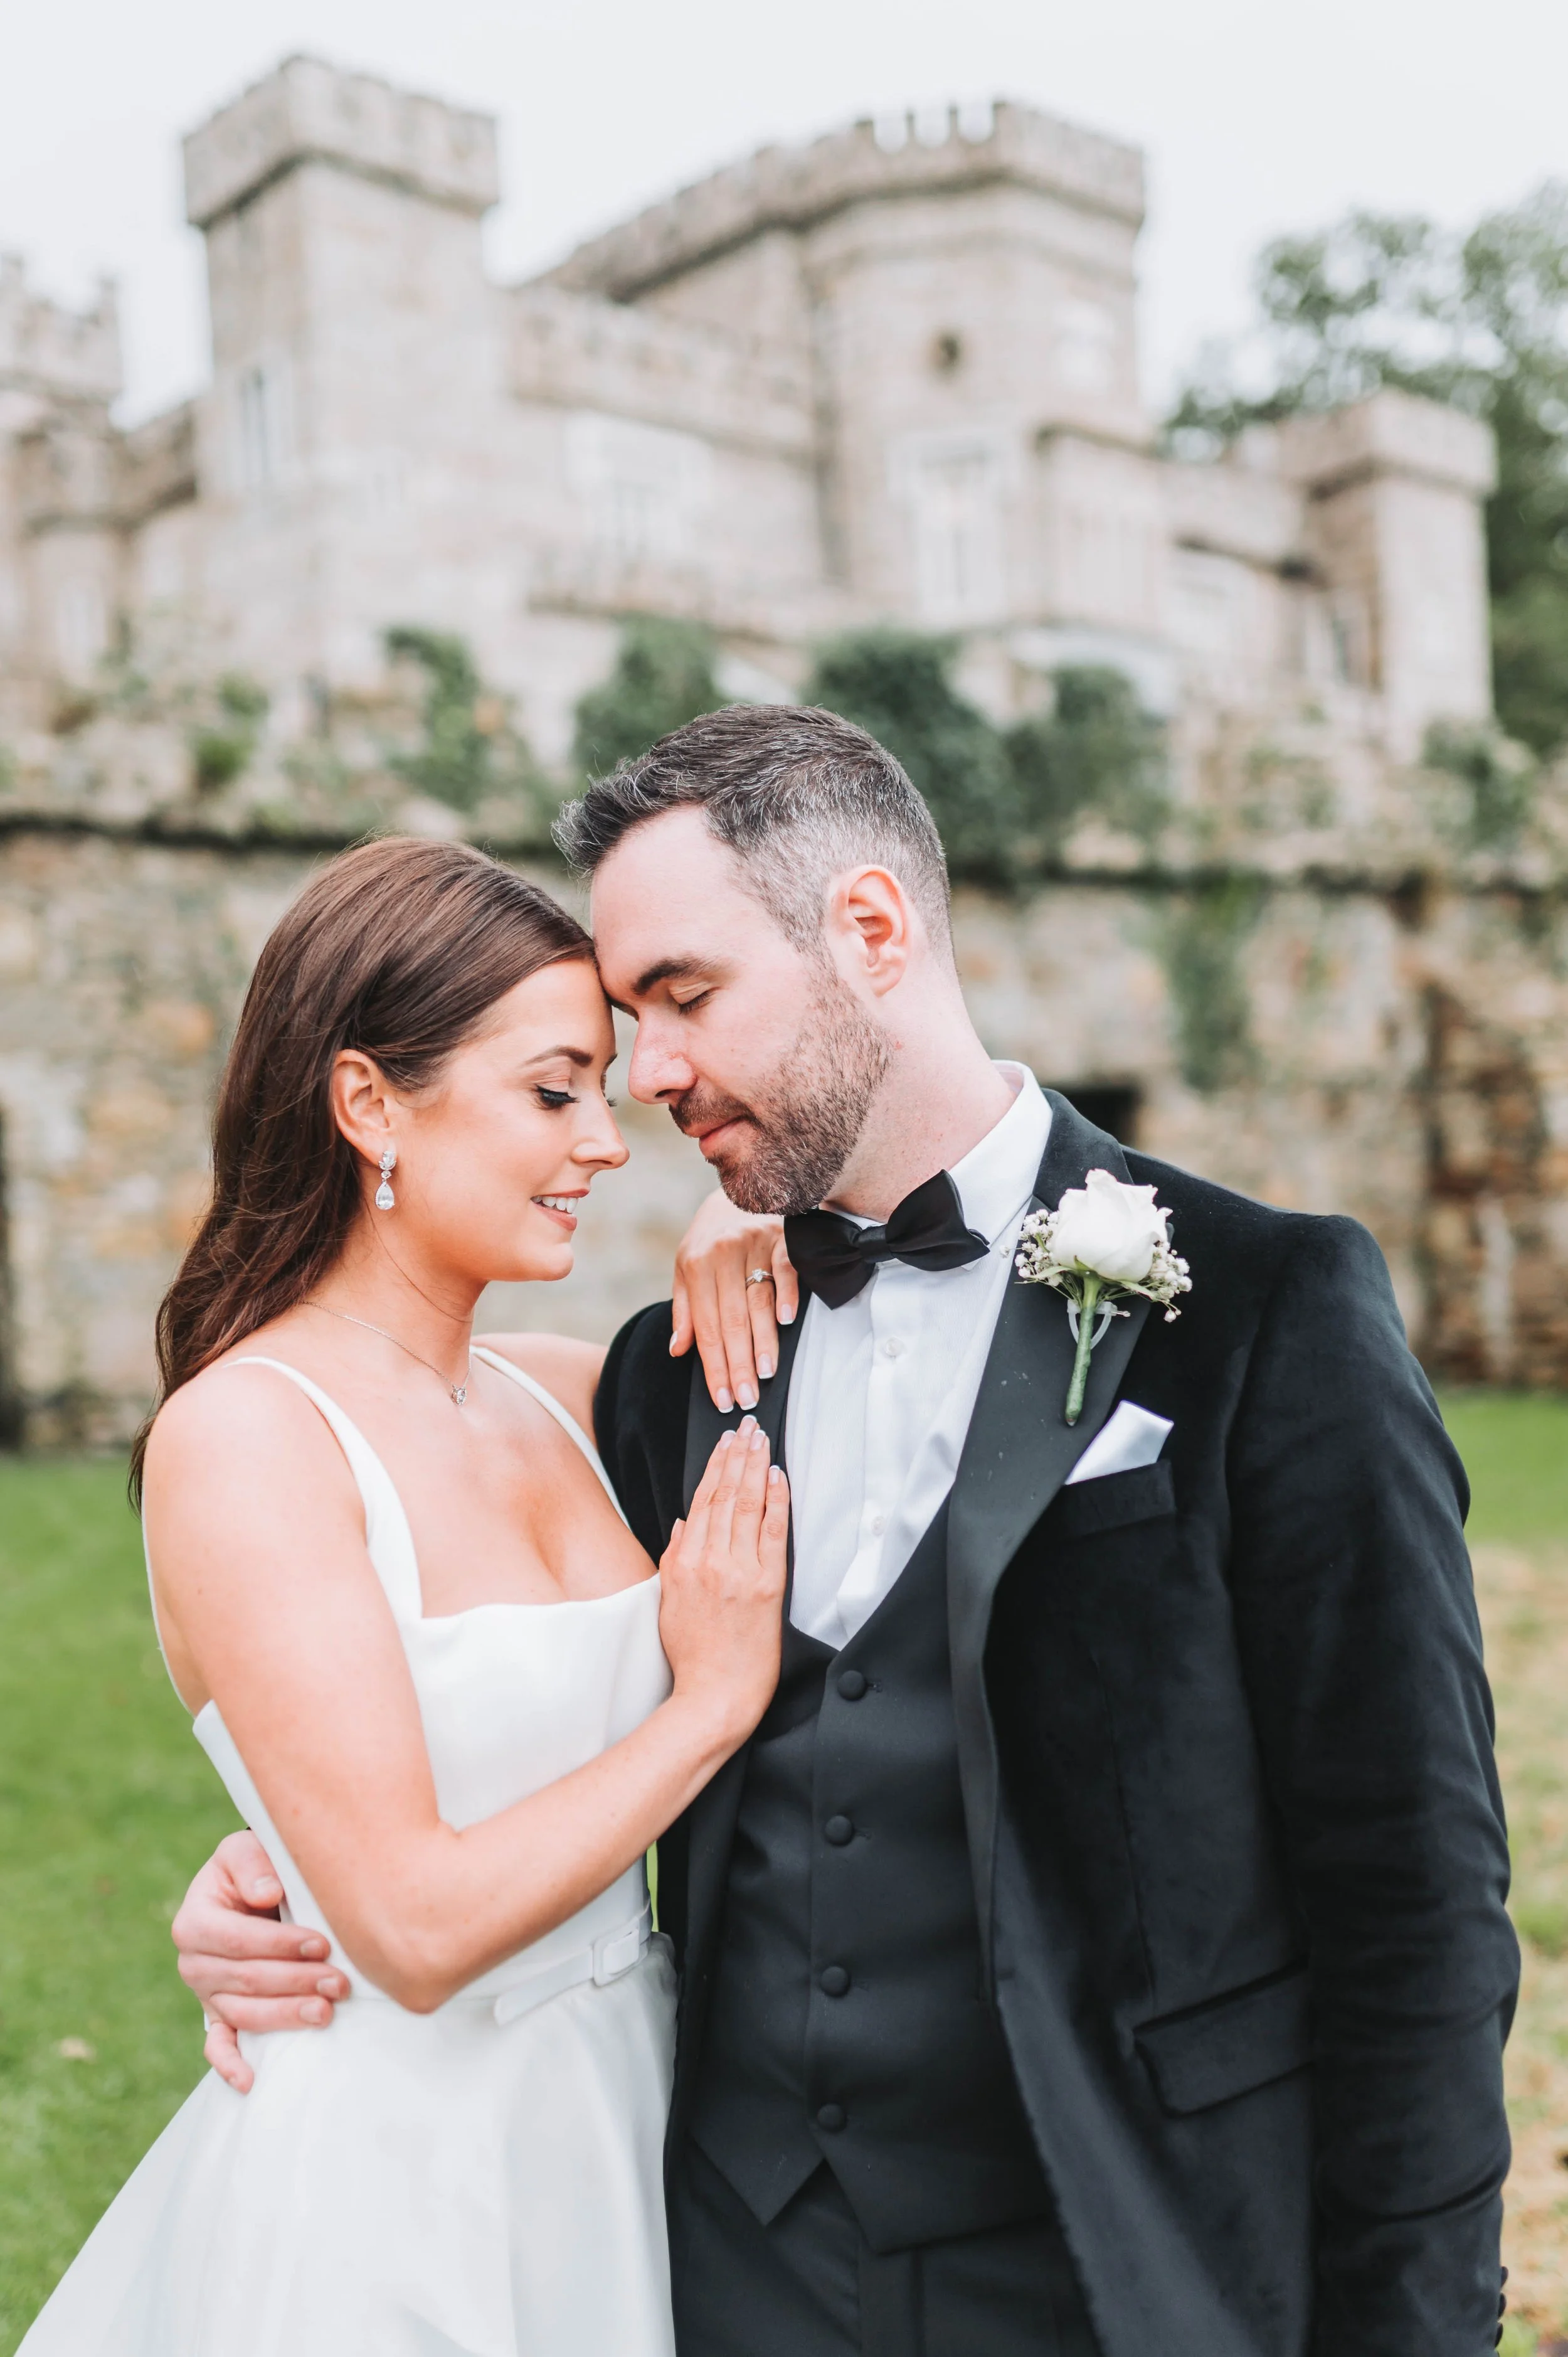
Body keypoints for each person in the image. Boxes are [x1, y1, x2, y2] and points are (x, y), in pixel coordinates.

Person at [175, 706, 1518, 2357]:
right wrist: (270, 1865)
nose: (648, 1079)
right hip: (720, 2262)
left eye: (683, 998)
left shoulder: (1263, 1309)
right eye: (618, 1028)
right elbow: (445, 1679)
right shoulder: (672, 1381)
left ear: (870, 931)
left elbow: (1414, 1898)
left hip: (1120, 2258)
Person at [20, 836, 790, 2357]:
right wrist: (705, 1706)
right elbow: (412, 1927)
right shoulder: (247, 1437)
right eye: (553, 1090)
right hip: (401, 2175)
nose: (604, 1143)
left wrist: (768, 1209)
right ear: (370, 1100)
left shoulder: (572, 1395)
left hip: (623, 2107)